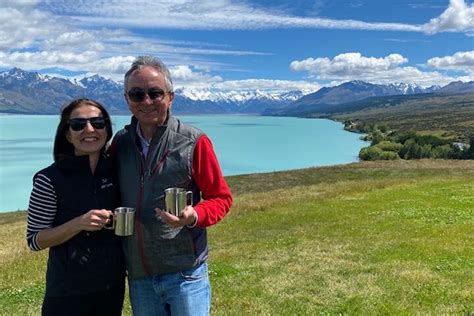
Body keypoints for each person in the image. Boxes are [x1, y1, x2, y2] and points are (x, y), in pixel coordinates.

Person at [110, 55, 232, 315]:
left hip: (185, 274)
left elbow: (221, 198)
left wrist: (194, 215)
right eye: (136, 94)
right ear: (126, 99)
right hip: (140, 274)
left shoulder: (193, 141)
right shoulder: (120, 144)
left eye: (155, 93)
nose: (146, 102)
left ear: (170, 97)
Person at [26, 98, 125, 316]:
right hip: (67, 293)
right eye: (78, 125)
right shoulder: (49, 179)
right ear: (68, 134)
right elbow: (34, 240)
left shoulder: (117, 172)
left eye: (98, 123)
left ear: (107, 130)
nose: (89, 129)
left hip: (112, 287)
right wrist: (79, 223)